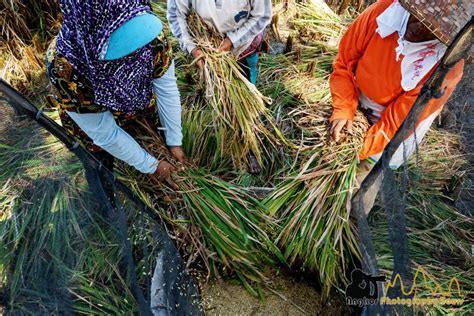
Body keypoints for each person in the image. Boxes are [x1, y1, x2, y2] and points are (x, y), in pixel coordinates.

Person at [329, 0, 467, 190]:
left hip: (397, 128)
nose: (418, 27)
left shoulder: (446, 68)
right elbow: (344, 62)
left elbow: (396, 125)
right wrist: (344, 108)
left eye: (430, 28)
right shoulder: (385, 11)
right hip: (359, 96)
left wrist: (352, 150)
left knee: (362, 179)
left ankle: (352, 211)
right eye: (417, 17)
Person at [47, 0, 185, 190]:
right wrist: (151, 166)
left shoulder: (152, 36)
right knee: (101, 172)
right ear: (91, 40)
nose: (136, 51)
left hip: (141, 109)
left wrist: (174, 141)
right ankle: (107, 208)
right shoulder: (65, 71)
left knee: (153, 145)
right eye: (123, 45)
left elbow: (167, 90)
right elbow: (107, 134)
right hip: (96, 124)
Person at [167, 0, 272, 85]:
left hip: (243, 46)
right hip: (206, 51)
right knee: (211, 91)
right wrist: (192, 48)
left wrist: (232, 40)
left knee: (246, 86)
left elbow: (262, 15)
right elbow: (176, 16)